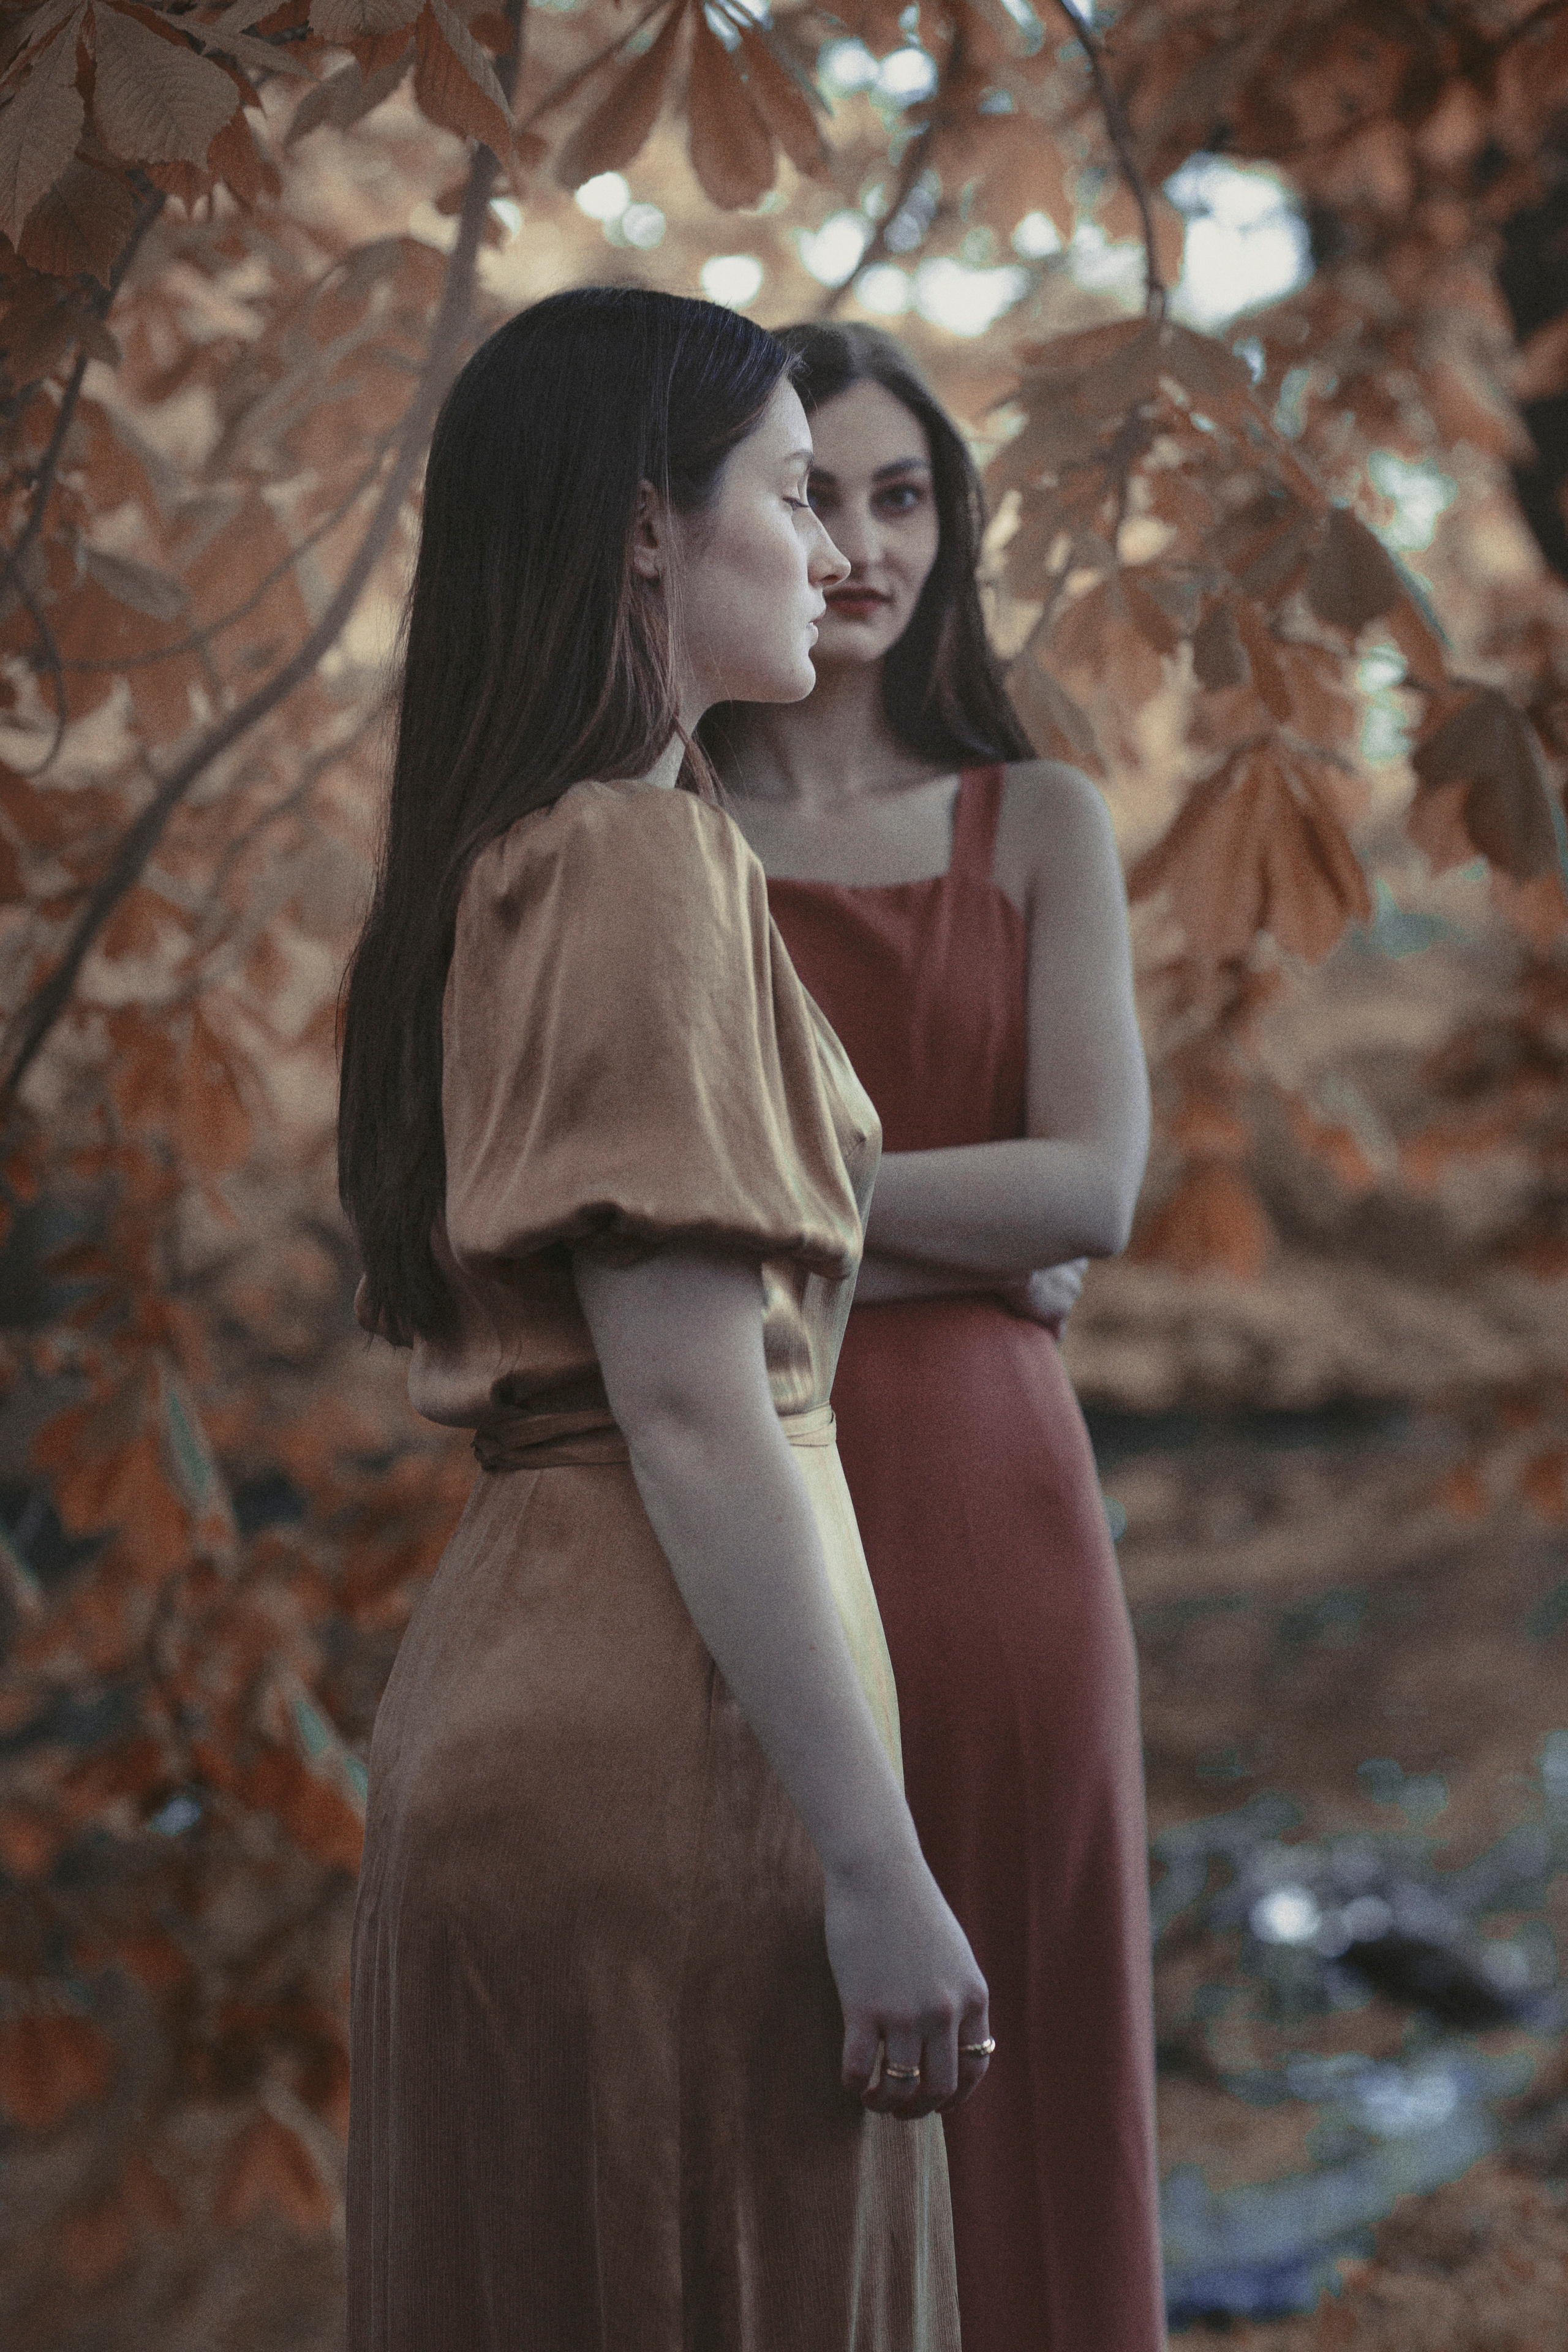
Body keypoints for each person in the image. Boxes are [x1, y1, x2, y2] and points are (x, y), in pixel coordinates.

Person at [335, 289, 992, 2352]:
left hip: (532, 1686)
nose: (833, 553)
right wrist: (876, 1861)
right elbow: (697, 1413)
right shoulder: (639, 864)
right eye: (793, 496)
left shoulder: (521, 854)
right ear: (646, 531)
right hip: (655, 1743)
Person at [701, 321, 1164, 2352]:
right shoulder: (657, 827)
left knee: (1026, 2054)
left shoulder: (1037, 818)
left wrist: (766, 1222)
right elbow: (599, 1245)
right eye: (816, 492)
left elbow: (1092, 1196)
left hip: (992, 1515)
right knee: (756, 2060)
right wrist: (958, 1234)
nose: (863, 539)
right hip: (716, 1483)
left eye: (907, 496)